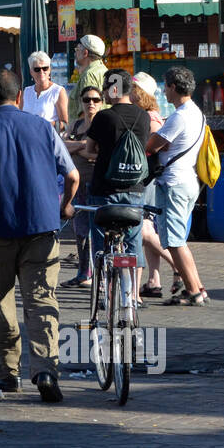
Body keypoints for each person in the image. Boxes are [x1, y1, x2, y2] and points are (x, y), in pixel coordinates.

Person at [0, 69, 78, 401]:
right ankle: (46, 370)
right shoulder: (42, 127)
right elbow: (73, 174)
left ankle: (8, 374)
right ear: (19, 96)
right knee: (42, 302)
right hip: (42, 231)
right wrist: (65, 206)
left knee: (2, 302)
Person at [74, 74, 153, 307]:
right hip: (135, 188)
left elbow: (89, 150)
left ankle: (105, 293)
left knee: (100, 241)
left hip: (104, 188)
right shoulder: (143, 117)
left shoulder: (104, 117)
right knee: (132, 241)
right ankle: (134, 296)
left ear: (114, 90)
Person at [147, 67, 210, 306]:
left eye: (165, 86)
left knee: (174, 241)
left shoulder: (179, 116)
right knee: (179, 240)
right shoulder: (197, 113)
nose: (164, 92)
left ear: (173, 87)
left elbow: (153, 144)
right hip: (187, 180)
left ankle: (193, 291)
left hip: (174, 183)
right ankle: (197, 287)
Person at [131, 73, 180, 299]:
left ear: (140, 93)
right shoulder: (145, 115)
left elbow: (152, 149)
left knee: (145, 231)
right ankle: (154, 280)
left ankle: (177, 265)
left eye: (132, 89)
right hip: (147, 178)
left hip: (147, 180)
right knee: (148, 228)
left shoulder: (150, 118)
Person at [60, 85, 103, 287]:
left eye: (95, 99)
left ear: (101, 102)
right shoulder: (76, 125)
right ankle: (84, 273)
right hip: (78, 184)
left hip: (97, 184)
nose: (91, 103)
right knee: (80, 230)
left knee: (97, 230)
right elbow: (61, 147)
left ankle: (98, 274)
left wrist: (76, 148)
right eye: (87, 100)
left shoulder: (104, 124)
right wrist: (83, 148)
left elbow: (101, 154)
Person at [20, 51, 68, 133]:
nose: (41, 72)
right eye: (37, 69)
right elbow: (19, 117)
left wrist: (40, 125)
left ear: (49, 70)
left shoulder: (58, 91)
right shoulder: (26, 91)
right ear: (31, 72)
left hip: (48, 139)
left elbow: (65, 124)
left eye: (45, 68)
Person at [70, 35, 107, 117]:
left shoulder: (89, 75)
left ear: (85, 53)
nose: (75, 53)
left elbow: (88, 112)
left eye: (77, 49)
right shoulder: (105, 70)